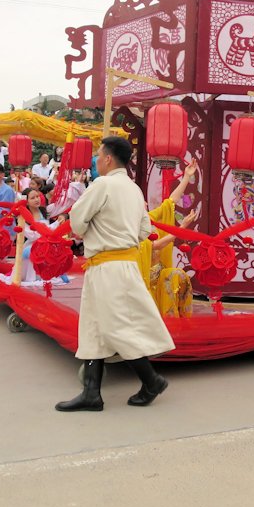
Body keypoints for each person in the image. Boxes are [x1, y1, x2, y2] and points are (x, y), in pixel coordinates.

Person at [56, 136, 175, 412]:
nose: (96, 160)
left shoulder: (103, 184)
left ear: (108, 158)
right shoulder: (134, 190)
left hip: (107, 266)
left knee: (115, 326)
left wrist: (94, 229)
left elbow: (76, 219)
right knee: (95, 326)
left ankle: (151, 380)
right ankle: (91, 393)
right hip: (122, 264)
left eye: (99, 155)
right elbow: (145, 230)